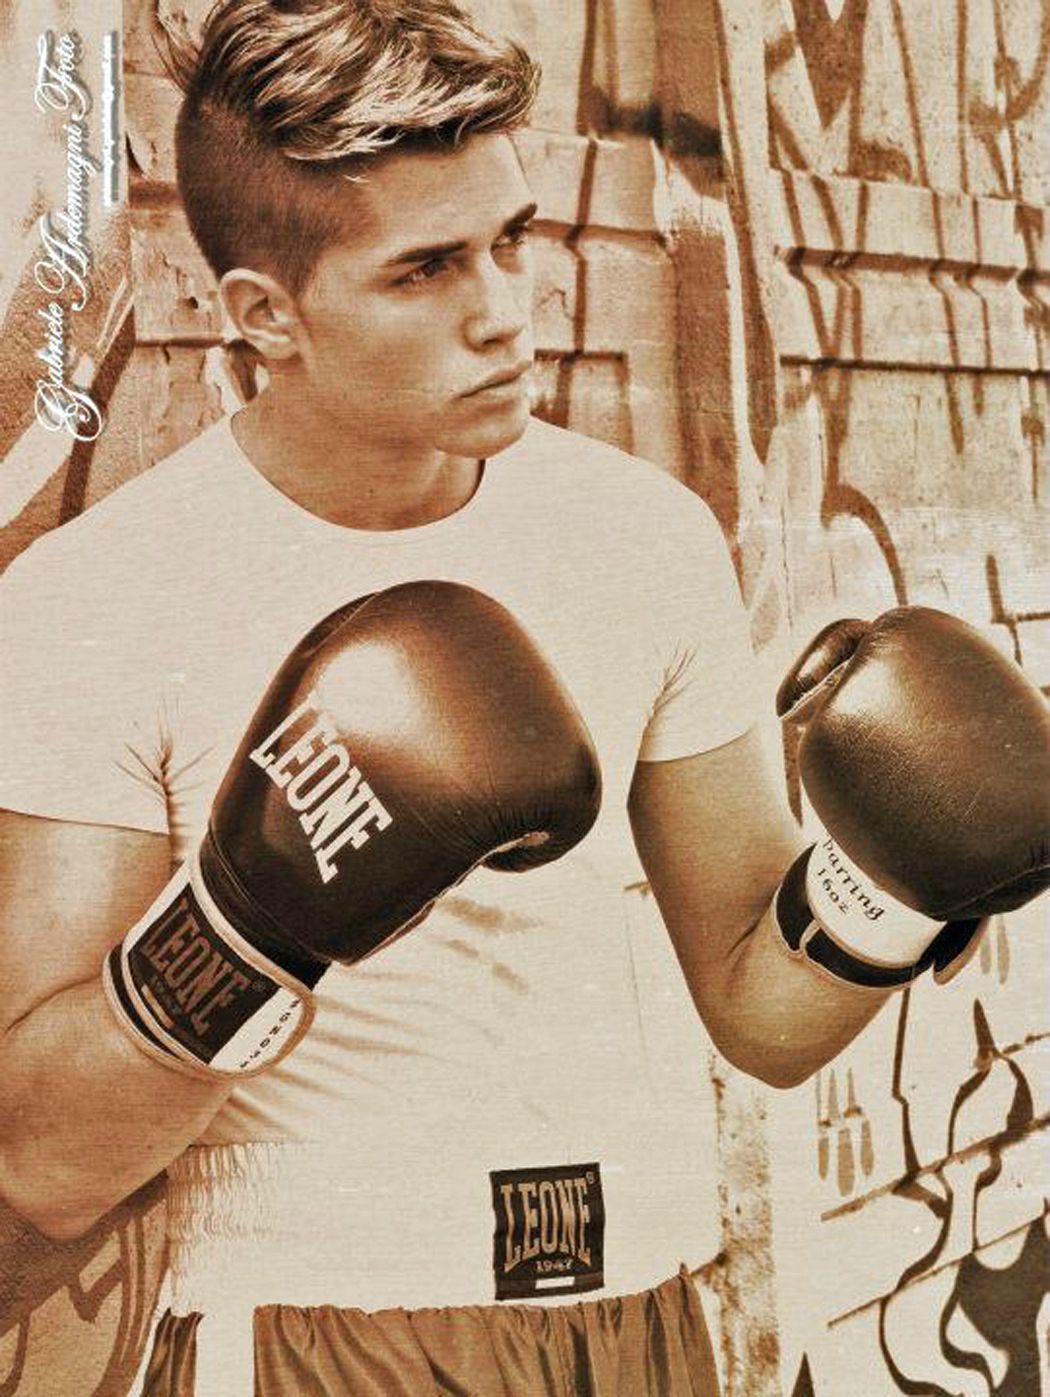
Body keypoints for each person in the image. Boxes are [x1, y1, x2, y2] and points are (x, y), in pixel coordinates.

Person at [0, 3, 1045, 1394]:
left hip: (649, 1310)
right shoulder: (104, 600)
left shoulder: (641, 537)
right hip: (319, 1324)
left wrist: (892, 896)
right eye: (423, 269)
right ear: (263, 315)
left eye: (513, 239)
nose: (505, 310)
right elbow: (43, 1161)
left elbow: (763, 1015)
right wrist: (248, 923)